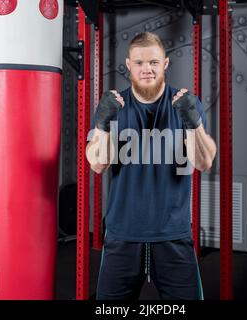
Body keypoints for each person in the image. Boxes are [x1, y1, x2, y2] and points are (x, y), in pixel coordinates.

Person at [86, 32, 217, 300]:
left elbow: (204, 162)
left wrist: (195, 123)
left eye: (154, 63)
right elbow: (98, 164)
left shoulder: (183, 104)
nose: (147, 69)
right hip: (122, 234)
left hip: (173, 234)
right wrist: (102, 124)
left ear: (165, 64)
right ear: (129, 64)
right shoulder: (115, 105)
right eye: (140, 63)